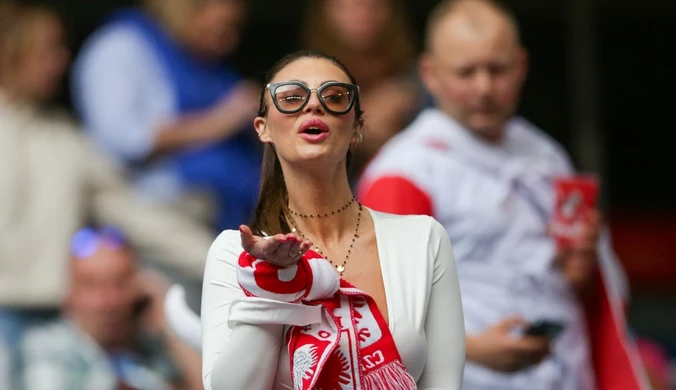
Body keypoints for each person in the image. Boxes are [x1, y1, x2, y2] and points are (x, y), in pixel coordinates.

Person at [358, 0, 647, 389]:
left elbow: (583, 285)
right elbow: (376, 314)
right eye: (466, 72)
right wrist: (472, 349)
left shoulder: (545, 155)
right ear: (429, 74)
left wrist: (579, 268)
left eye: (497, 69)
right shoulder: (404, 171)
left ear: (522, 65)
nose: (484, 87)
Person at [200, 50, 465, 390]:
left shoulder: (424, 240)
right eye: (292, 98)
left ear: (357, 127)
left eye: (335, 97)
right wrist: (272, 287)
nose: (314, 106)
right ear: (263, 128)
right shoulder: (232, 253)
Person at [0, 2, 212, 349]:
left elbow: (138, 216)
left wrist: (229, 262)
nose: (61, 60)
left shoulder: (68, 142)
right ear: (11, 51)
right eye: (48, 49)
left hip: (55, 321)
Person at [72, 0, 262, 232]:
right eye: (223, 26)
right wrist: (224, 118)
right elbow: (128, 142)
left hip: (225, 214)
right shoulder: (121, 46)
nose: (231, 41)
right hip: (154, 215)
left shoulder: (205, 65)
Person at [19, 227, 202, 390]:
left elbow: (210, 385)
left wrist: (169, 320)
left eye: (119, 283)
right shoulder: (47, 347)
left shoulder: (155, 354)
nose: (108, 302)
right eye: (91, 285)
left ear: (140, 288)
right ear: (69, 295)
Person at [302, 0, 424, 180]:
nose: (363, 13)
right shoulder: (303, 76)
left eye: (374, 4)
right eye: (349, 5)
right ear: (325, 11)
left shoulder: (416, 78)